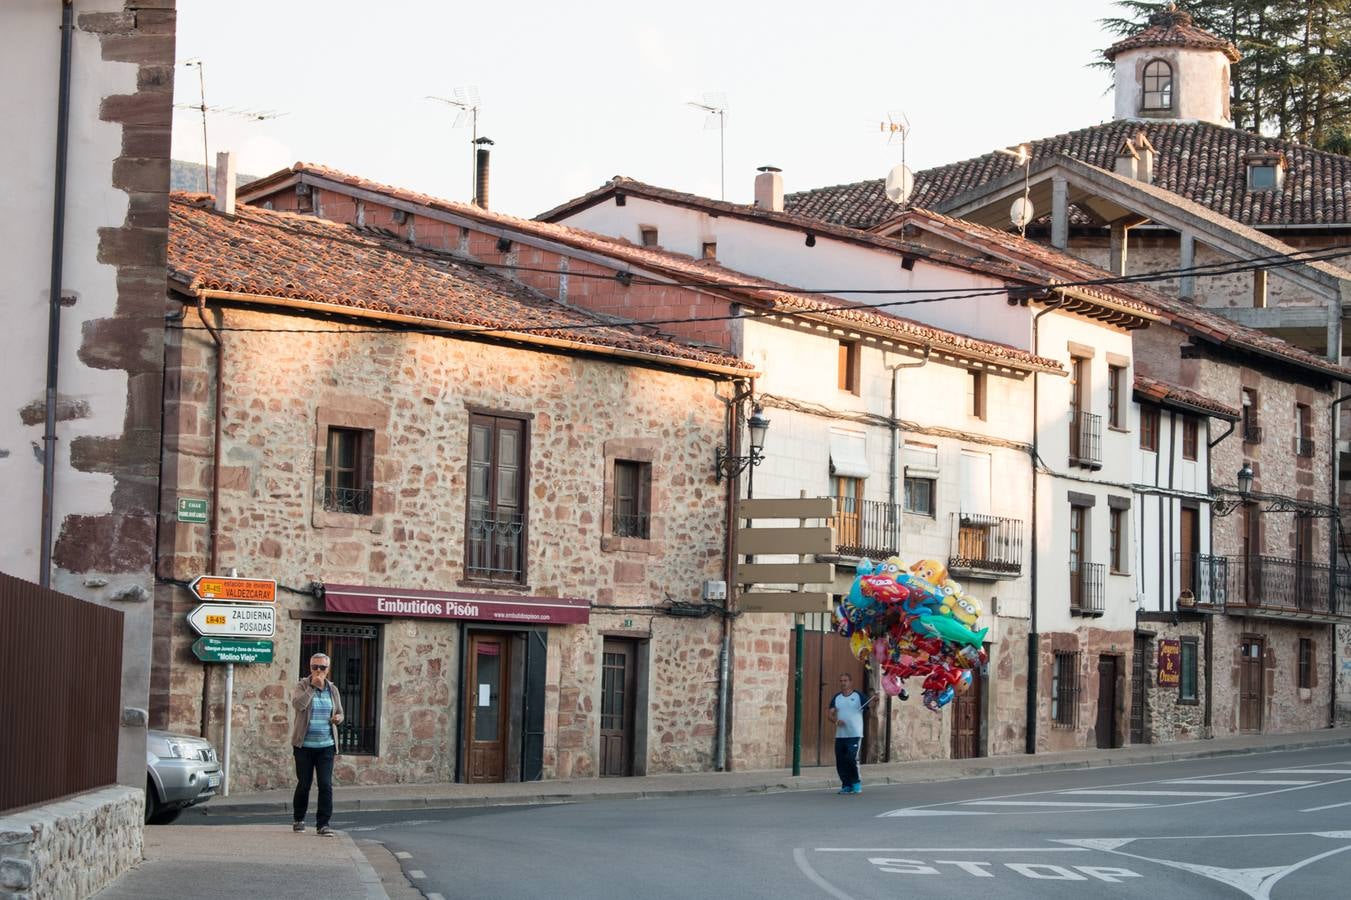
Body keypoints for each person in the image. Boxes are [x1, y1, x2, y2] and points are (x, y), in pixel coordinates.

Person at [291, 652, 344, 835]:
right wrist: (312, 687)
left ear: (328, 670)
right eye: (315, 667)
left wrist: (338, 718)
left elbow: (340, 712)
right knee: (304, 783)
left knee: (325, 784)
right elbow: (298, 705)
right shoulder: (302, 685)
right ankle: (299, 819)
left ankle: (323, 824)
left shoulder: (332, 690)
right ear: (310, 668)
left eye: (322, 667)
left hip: (326, 745)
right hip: (304, 745)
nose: (319, 671)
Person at [826, 672, 871, 794]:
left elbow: (869, 706)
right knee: (840, 760)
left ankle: (856, 783)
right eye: (841, 681)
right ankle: (846, 785)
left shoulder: (858, 696)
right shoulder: (837, 698)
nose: (843, 683)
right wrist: (836, 721)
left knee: (851, 758)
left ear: (850, 682)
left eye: (845, 681)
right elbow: (830, 714)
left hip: (855, 734)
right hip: (840, 735)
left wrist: (876, 700)